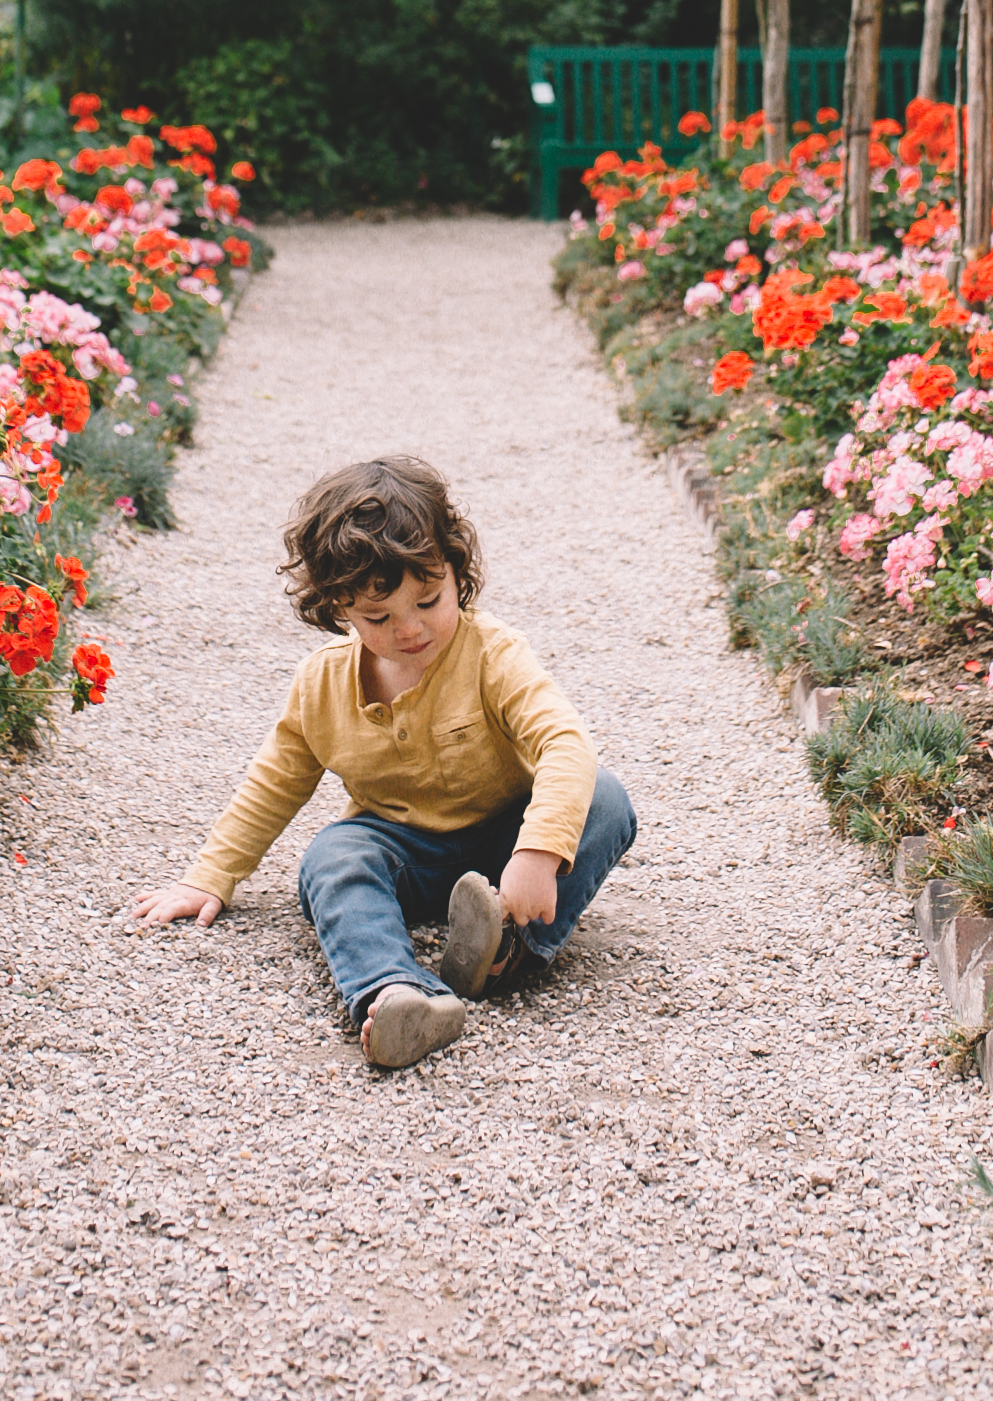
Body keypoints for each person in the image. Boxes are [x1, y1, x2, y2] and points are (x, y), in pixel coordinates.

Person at [131, 454, 637, 1069]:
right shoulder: (322, 683)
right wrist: (208, 876)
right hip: (402, 851)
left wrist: (538, 852)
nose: (411, 629)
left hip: (506, 838)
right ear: (337, 607)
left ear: (456, 571)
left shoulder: (492, 653)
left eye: (429, 600)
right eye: (378, 617)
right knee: (332, 856)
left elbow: (563, 742)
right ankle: (396, 992)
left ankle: (501, 950)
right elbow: (275, 782)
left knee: (604, 799)